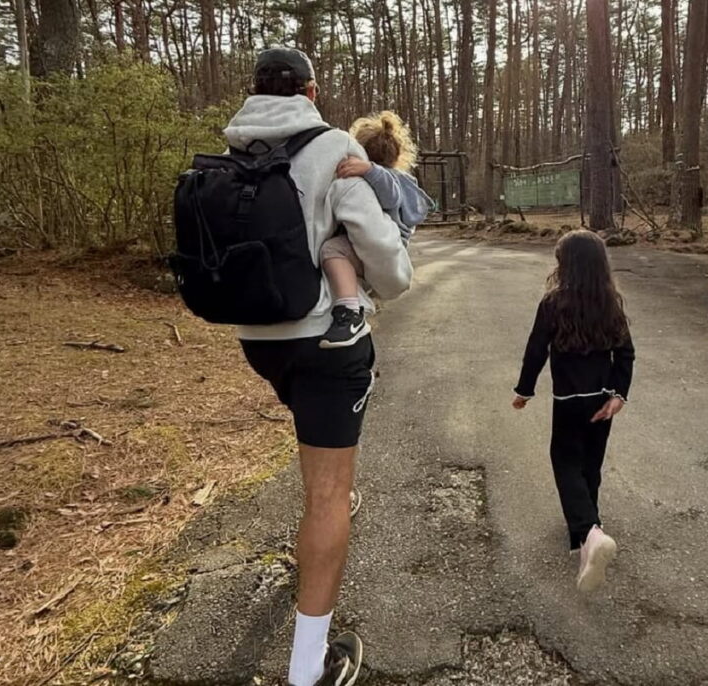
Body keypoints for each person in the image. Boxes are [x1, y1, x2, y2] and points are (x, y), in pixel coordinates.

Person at [225, 48, 412, 686]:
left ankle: (329, 507)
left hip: (259, 339)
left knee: (323, 475)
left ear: (255, 92)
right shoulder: (331, 146)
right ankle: (309, 668)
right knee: (326, 495)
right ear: (310, 90)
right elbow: (379, 250)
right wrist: (394, 279)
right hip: (324, 341)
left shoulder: (234, 149)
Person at [512, 230, 635, 593]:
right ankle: (587, 531)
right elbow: (625, 353)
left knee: (565, 463)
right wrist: (618, 395)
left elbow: (536, 350)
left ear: (566, 266)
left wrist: (524, 391)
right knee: (589, 465)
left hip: (568, 402)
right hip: (602, 400)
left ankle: (588, 533)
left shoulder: (553, 304)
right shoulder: (611, 301)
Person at [319, 111, 432, 348]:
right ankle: (356, 304)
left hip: (384, 249)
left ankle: (350, 313)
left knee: (331, 251)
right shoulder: (397, 178)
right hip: (380, 252)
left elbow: (390, 195)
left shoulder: (390, 178)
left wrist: (368, 169)